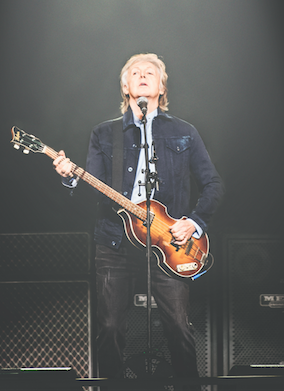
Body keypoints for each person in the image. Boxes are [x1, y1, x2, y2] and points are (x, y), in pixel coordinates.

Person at [53, 53, 223, 383]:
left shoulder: (184, 132)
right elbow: (95, 186)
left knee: (178, 326)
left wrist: (194, 223)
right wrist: (71, 176)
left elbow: (213, 183)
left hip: (170, 242)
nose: (142, 76)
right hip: (114, 242)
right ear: (125, 86)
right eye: (135, 72)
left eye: (150, 72)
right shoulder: (104, 134)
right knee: (110, 327)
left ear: (162, 86)